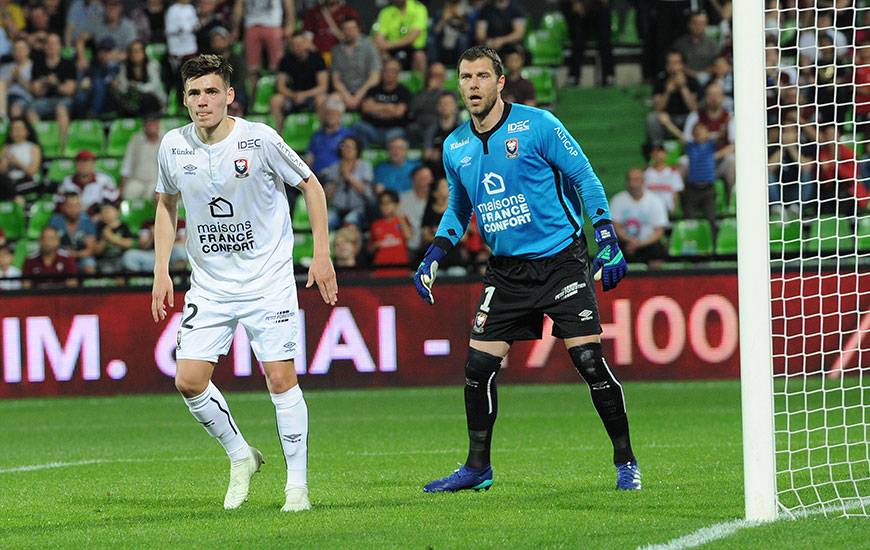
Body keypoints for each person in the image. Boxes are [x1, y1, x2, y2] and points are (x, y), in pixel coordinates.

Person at [413, 46, 639, 493]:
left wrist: (607, 237)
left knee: (589, 361)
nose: (472, 85)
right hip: (506, 272)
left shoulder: (538, 125)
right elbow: (459, 207)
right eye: (464, 77)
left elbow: (585, 177)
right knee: (477, 366)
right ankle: (478, 468)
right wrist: (434, 253)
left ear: (500, 82)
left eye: (481, 76)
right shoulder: (455, 146)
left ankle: (625, 462)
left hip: (561, 261)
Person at [150, 54, 337, 513]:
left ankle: (297, 487)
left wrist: (322, 254)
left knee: (279, 378)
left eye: (212, 91)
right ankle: (241, 455)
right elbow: (165, 205)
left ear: (229, 96)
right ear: (184, 98)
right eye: (194, 93)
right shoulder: (173, 146)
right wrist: (160, 270)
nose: (203, 101)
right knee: (188, 381)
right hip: (210, 286)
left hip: (267, 281)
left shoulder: (259, 139)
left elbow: (311, 186)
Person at [270, 31, 329, 134]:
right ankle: (278, 134)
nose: (298, 47)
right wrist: (293, 95)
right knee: (275, 100)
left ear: (306, 44)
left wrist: (304, 94)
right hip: (292, 96)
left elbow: (323, 86)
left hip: (312, 96)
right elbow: (280, 86)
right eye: (294, 45)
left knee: (322, 99)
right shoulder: (285, 60)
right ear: (291, 47)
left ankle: (321, 133)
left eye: (300, 43)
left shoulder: (317, 59)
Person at [610, 168, 668, 269]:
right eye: (630, 180)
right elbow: (616, 227)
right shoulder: (617, 200)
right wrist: (630, 241)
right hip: (625, 242)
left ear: (643, 181)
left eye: (636, 180)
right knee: (611, 249)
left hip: (648, 243)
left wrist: (640, 243)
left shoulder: (655, 201)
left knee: (658, 249)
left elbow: (659, 231)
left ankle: (655, 281)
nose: (633, 184)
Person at [330, 17, 381, 112]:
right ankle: (335, 127)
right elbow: (336, 80)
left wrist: (359, 95)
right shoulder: (336, 50)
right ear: (342, 31)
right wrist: (347, 96)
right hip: (345, 93)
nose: (349, 32)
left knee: (372, 104)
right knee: (331, 102)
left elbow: (375, 77)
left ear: (358, 29)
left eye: (352, 28)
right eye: (346, 29)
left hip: (367, 92)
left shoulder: (369, 46)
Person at [48, 191, 98, 274]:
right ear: (63, 207)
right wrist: (64, 255)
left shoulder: (87, 221)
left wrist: (73, 254)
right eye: (70, 206)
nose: (74, 209)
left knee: (89, 265)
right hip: (59, 257)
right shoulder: (55, 222)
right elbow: (50, 244)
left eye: (77, 205)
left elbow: (90, 249)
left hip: (81, 257)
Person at [372, 0, 428, 73]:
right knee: (379, 52)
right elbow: (379, 38)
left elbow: (412, 37)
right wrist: (383, 46)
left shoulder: (419, 8)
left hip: (413, 49)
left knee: (419, 56)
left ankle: (420, 84)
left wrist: (388, 45)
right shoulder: (386, 12)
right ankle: (385, 82)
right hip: (391, 51)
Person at [367, 189, 411, 276]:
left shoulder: (403, 220)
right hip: (381, 268)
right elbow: (370, 249)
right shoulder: (375, 225)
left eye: (389, 203)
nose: (385, 206)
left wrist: (400, 217)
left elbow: (408, 236)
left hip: (401, 267)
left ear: (396, 204)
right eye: (382, 204)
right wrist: (376, 245)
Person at [121, 113, 164, 200]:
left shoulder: (166, 138)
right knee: (128, 192)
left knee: (158, 196)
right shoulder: (136, 139)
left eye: (153, 123)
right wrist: (122, 186)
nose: (151, 126)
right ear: (144, 125)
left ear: (158, 124)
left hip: (156, 182)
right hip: (137, 181)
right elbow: (127, 164)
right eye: (148, 124)